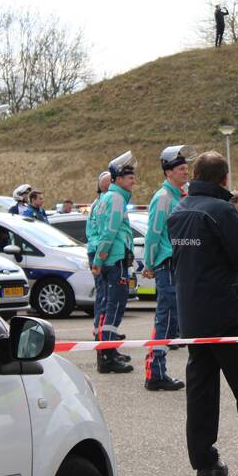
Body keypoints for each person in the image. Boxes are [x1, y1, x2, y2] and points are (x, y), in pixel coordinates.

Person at [167, 151, 238, 476]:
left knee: (202, 386)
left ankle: (204, 460)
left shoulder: (180, 209)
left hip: (191, 311)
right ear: (224, 179)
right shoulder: (221, 210)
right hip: (224, 311)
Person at [142, 145, 194, 392]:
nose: (186, 172)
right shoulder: (163, 198)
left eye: (186, 168)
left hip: (176, 264)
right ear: (168, 172)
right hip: (168, 265)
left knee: (169, 318)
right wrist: (150, 264)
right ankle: (155, 372)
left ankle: (157, 371)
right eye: (182, 169)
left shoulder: (176, 196)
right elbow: (154, 234)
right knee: (165, 319)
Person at [91, 152, 137, 374]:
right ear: (118, 179)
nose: (133, 182)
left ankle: (108, 351)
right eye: (130, 178)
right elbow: (109, 232)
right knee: (115, 307)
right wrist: (100, 257)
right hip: (115, 260)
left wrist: (99, 258)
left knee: (108, 306)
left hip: (110, 259)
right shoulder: (117, 199)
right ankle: (107, 356)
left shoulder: (106, 198)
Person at [86, 171, 112, 360]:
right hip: (97, 251)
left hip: (97, 250)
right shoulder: (103, 203)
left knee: (106, 295)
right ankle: (100, 334)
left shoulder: (102, 201)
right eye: (109, 182)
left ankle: (103, 334)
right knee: (103, 295)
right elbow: (103, 232)